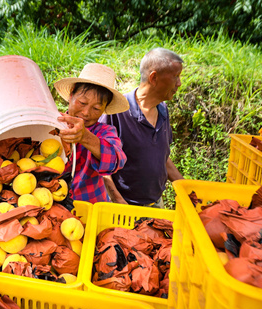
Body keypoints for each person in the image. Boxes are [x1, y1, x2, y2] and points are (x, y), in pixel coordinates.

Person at [101, 47, 184, 208]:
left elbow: (162, 157)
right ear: (154, 78)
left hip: (155, 204)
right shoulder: (117, 112)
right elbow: (101, 165)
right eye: (175, 77)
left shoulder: (163, 110)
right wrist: (119, 202)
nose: (179, 83)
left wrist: (187, 188)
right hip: (124, 207)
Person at [54, 63, 129, 203]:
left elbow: (116, 160)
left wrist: (86, 137)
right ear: (71, 96)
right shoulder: (52, 124)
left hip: (91, 207)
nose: (86, 113)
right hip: (51, 207)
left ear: (104, 109)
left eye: (96, 108)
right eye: (82, 103)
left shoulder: (104, 132)